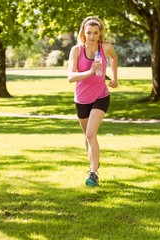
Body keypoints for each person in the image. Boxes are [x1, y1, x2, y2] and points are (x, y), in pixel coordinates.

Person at [68, 16, 118, 187]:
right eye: (89, 32)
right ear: (83, 32)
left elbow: (114, 58)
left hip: (101, 97)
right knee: (88, 137)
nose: (92, 36)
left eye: (96, 33)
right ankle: (94, 162)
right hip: (81, 100)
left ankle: (93, 173)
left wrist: (114, 79)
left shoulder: (105, 47)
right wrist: (90, 72)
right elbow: (70, 77)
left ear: (100, 33)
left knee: (90, 134)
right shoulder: (76, 50)